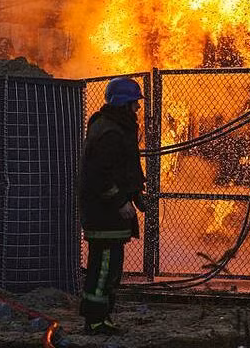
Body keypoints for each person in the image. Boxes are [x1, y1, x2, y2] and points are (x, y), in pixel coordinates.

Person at [79, 77, 146, 335]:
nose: (137, 109)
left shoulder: (116, 127)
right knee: (104, 269)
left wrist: (136, 196)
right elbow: (99, 175)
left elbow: (124, 168)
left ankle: (103, 317)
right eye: (134, 104)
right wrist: (120, 201)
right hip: (104, 214)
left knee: (110, 269)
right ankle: (95, 321)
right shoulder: (110, 132)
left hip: (108, 215)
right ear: (123, 103)